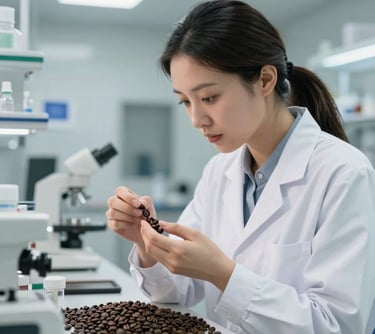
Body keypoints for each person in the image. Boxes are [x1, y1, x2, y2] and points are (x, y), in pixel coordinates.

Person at [106, 1, 375, 333]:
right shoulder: (220, 172)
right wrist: (145, 242)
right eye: (185, 101)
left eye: (209, 98)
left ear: (264, 80)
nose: (196, 119)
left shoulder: (343, 173)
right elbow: (177, 292)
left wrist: (223, 274)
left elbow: (337, 325)